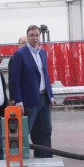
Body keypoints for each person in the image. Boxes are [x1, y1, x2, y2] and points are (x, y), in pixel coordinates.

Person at [9, 25, 54, 158]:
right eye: (32, 35)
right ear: (27, 36)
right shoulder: (20, 55)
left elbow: (46, 75)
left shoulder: (42, 53)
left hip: (44, 98)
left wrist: (50, 96)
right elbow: (15, 79)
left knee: (45, 130)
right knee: (25, 132)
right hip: (29, 101)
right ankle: (18, 159)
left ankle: (45, 158)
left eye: (37, 35)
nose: (34, 38)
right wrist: (18, 101)